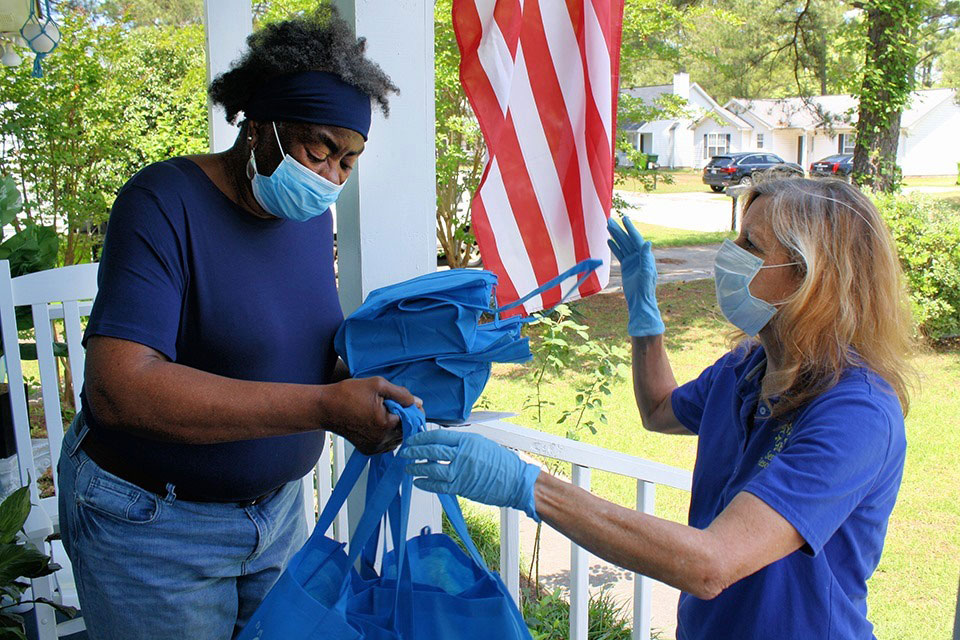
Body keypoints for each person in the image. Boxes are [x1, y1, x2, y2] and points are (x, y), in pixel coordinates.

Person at [402, 178, 915, 639]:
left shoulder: (856, 414)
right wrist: (643, 311)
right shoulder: (746, 370)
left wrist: (527, 486)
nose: (726, 255)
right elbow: (659, 408)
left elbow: (712, 563)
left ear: (808, 278)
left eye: (749, 245)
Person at [57, 8, 419, 640]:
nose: (330, 177)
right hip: (153, 527)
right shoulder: (161, 203)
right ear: (259, 128)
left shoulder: (309, 218)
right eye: (318, 149)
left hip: (276, 517)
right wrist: (325, 408)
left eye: (349, 160)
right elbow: (119, 390)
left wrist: (382, 373)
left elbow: (289, 347)